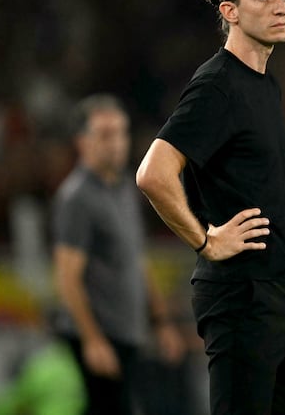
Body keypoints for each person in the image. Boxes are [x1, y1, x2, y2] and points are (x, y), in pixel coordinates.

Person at [135, 0, 285, 415]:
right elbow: (153, 172)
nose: (280, 7)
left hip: (276, 290)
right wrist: (206, 240)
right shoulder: (217, 85)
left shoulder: (265, 84)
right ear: (230, 10)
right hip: (241, 293)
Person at [52, 94, 185, 415]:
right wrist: (93, 340)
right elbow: (67, 277)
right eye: (105, 134)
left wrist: (161, 321)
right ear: (82, 142)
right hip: (101, 333)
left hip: (128, 331)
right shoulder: (76, 198)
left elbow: (137, 259)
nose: (116, 143)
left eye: (121, 132)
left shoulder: (126, 187)